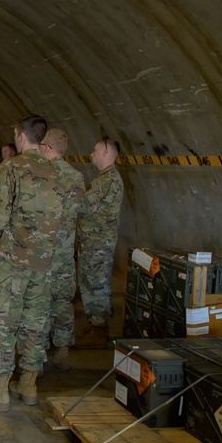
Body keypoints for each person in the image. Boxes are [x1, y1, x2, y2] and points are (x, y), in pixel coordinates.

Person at [0, 114, 62, 413]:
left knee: (2, 323)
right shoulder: (59, 171)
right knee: (35, 323)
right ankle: (29, 385)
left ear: (21, 136)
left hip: (11, 259)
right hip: (43, 261)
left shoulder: (11, 168)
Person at [39, 129, 85, 370]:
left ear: (46, 148)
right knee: (63, 302)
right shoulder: (76, 177)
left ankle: (40, 351)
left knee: (40, 301)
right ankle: (63, 349)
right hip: (66, 252)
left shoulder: (43, 174)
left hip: (44, 253)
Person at [77, 137, 125, 344]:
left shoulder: (106, 180)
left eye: (95, 150)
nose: (91, 154)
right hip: (95, 242)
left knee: (95, 283)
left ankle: (98, 328)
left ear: (105, 151)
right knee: (97, 282)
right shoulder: (106, 178)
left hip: (96, 243)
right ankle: (98, 325)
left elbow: (83, 205)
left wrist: (85, 204)